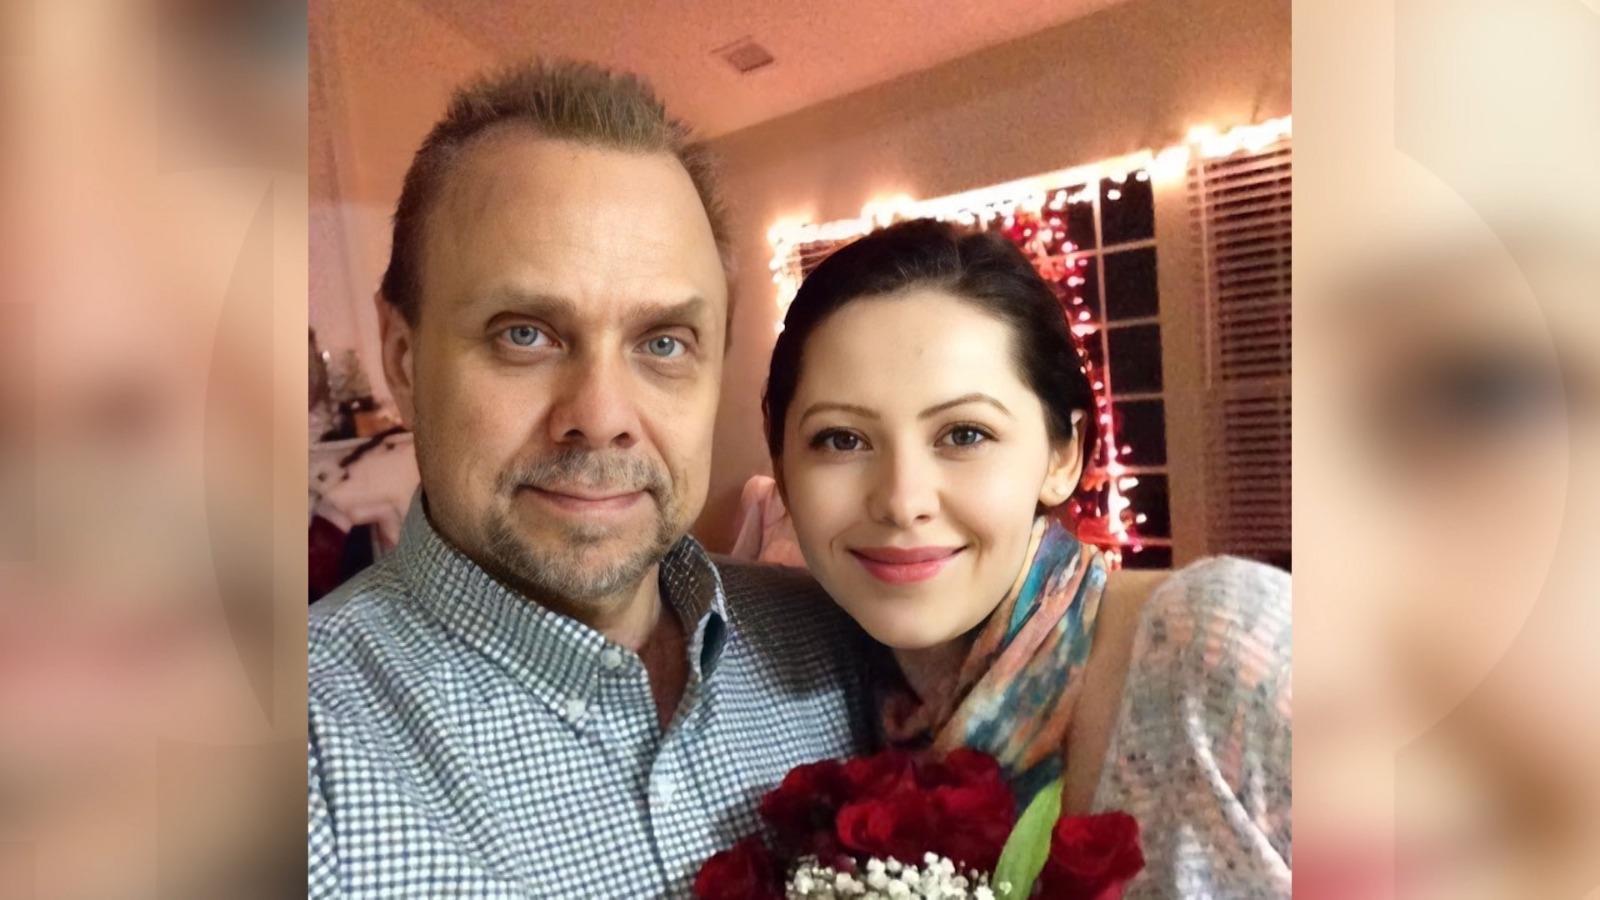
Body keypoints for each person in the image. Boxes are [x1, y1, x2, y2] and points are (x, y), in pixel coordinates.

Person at [306, 61, 872, 897]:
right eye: (524, 334)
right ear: (402, 358)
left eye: (663, 342)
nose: (601, 415)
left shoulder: (838, 641)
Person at [763, 218, 1292, 897]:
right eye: (841, 440)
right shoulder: (805, 698)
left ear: (1063, 455)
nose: (901, 501)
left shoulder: (1227, 649)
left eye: (964, 434)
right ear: (782, 466)